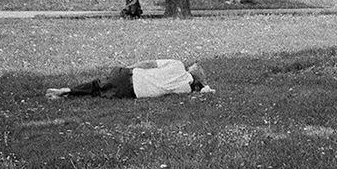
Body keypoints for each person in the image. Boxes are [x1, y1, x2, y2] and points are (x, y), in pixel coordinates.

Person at [45, 60, 213, 99]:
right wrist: (205, 88)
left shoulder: (177, 64)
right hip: (132, 92)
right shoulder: (184, 89)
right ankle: (68, 94)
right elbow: (201, 91)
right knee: (99, 92)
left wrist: (128, 68)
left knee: (97, 83)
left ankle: (68, 90)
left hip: (130, 76)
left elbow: (148, 63)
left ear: (190, 68)